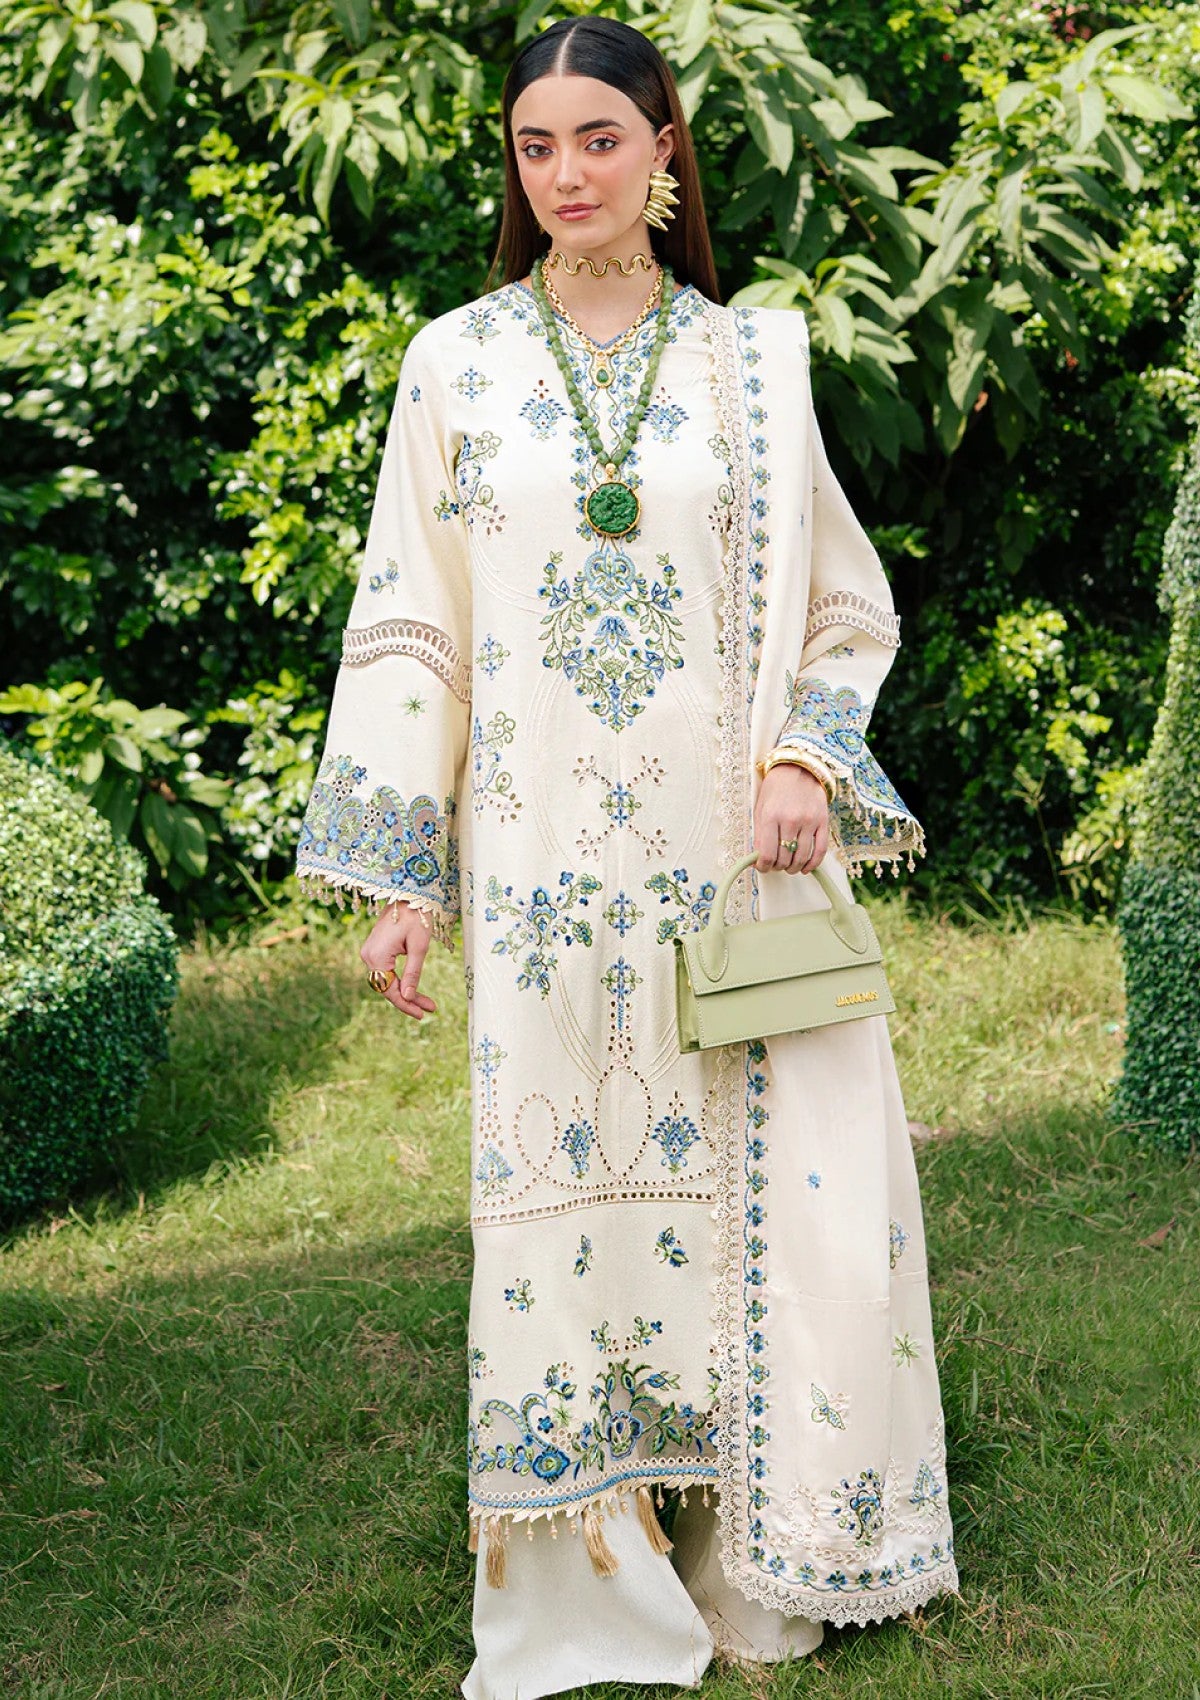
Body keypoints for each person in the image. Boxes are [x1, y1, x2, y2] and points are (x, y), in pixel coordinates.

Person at [294, 15, 959, 1695]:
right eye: (538, 146)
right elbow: (413, 629)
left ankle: (765, 1541)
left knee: (766, 1200)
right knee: (567, 1203)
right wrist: (402, 878)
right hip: (536, 883)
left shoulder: (754, 367)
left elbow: (847, 606)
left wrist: (805, 754)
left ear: (665, 148)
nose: (568, 174)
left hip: (729, 870)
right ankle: (597, 1566)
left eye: (601, 138)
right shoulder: (455, 364)